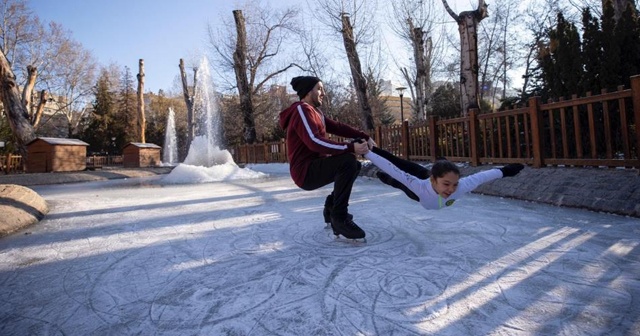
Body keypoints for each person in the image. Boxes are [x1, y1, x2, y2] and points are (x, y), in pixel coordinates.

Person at [278, 76, 375, 240]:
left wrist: (363, 136)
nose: (323, 93)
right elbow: (314, 142)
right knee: (348, 162)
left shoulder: (316, 113)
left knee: (354, 165)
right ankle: (339, 217)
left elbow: (338, 127)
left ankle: (331, 207)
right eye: (319, 89)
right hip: (305, 172)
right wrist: (351, 147)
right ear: (309, 92)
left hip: (315, 165)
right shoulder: (301, 110)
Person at [363, 146, 525, 210]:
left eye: (454, 184)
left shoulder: (461, 186)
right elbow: (393, 168)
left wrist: (506, 170)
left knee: (399, 183)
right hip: (421, 187)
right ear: (434, 179)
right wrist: (368, 152)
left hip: (429, 184)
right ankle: (372, 147)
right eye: (447, 184)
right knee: (400, 173)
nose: (451, 189)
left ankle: (442, 164)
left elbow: (483, 176)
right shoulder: (419, 186)